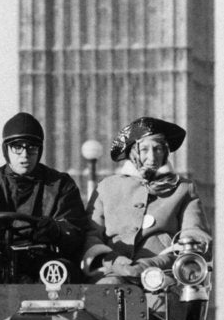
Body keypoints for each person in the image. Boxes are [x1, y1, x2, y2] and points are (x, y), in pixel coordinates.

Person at [0, 112, 89, 288]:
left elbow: (75, 227)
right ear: (6, 150)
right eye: (17, 147)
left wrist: (57, 230)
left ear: (40, 150)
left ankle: (50, 307)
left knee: (61, 270)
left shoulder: (60, 185)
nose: (25, 155)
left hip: (42, 264)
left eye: (32, 147)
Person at [82, 115, 211, 283]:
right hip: (112, 272)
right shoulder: (106, 187)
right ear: (132, 153)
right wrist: (114, 261)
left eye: (158, 149)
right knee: (107, 291)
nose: (152, 157)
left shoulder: (183, 189)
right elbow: (90, 236)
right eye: (144, 150)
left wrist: (155, 263)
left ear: (165, 152)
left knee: (161, 295)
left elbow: (195, 236)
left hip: (163, 273)